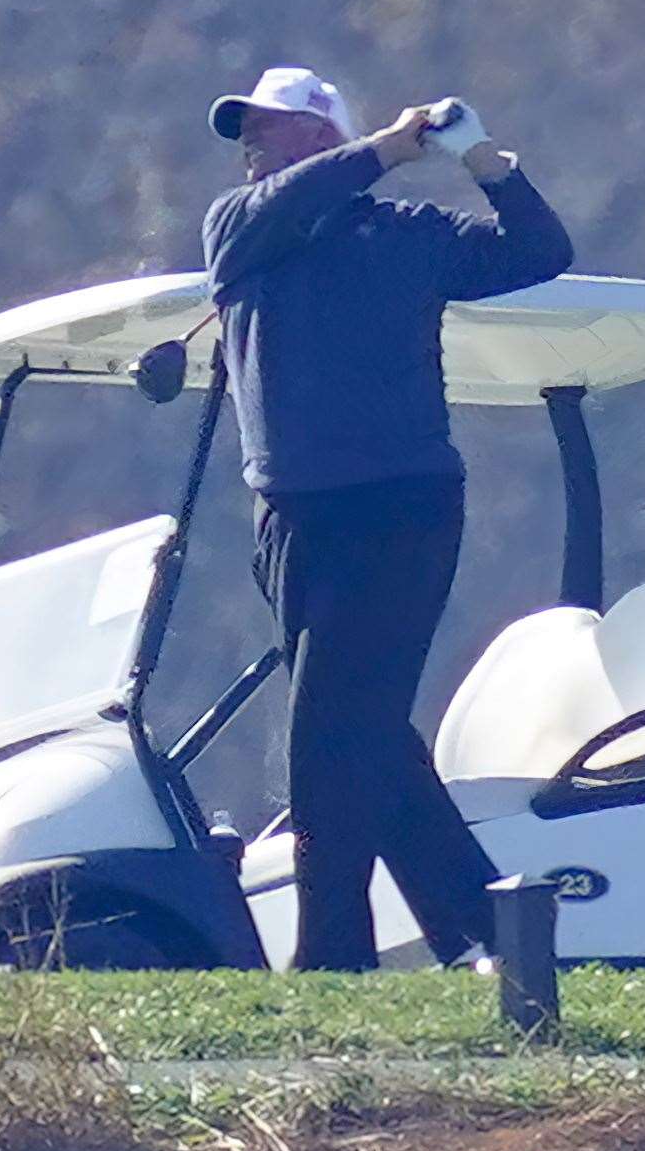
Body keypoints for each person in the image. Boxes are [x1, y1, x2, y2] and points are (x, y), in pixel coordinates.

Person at [201, 67, 573, 970]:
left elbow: (539, 250)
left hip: (401, 508)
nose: (251, 140)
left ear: (320, 136)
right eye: (247, 127)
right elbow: (291, 202)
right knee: (364, 729)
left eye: (271, 125)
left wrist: (484, 162)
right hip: (291, 518)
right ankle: (488, 930)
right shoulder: (240, 230)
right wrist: (388, 150)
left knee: (328, 732)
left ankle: (334, 957)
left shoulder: (409, 235)